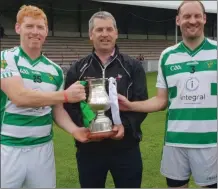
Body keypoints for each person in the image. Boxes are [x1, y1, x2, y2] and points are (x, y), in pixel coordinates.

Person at [118, 1, 217, 188]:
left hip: (211, 143)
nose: (192, 20)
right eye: (187, 16)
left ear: (204, 18)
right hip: (175, 142)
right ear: (178, 20)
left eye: (197, 16)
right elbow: (161, 100)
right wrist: (131, 105)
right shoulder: (167, 56)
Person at [0, 5, 90, 188]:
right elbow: (19, 96)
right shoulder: (6, 58)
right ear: (18, 28)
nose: (35, 32)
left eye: (40, 27)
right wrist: (65, 95)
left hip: (43, 149)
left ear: (46, 31)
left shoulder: (55, 70)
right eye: (29, 26)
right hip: (8, 147)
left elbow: (57, 110)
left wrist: (74, 130)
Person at [64, 11, 148, 188]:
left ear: (116, 33)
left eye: (109, 29)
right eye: (99, 29)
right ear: (91, 34)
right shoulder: (77, 68)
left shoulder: (133, 67)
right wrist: (87, 126)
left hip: (126, 148)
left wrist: (123, 127)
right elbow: (69, 105)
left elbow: (141, 103)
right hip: (89, 149)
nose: (105, 34)